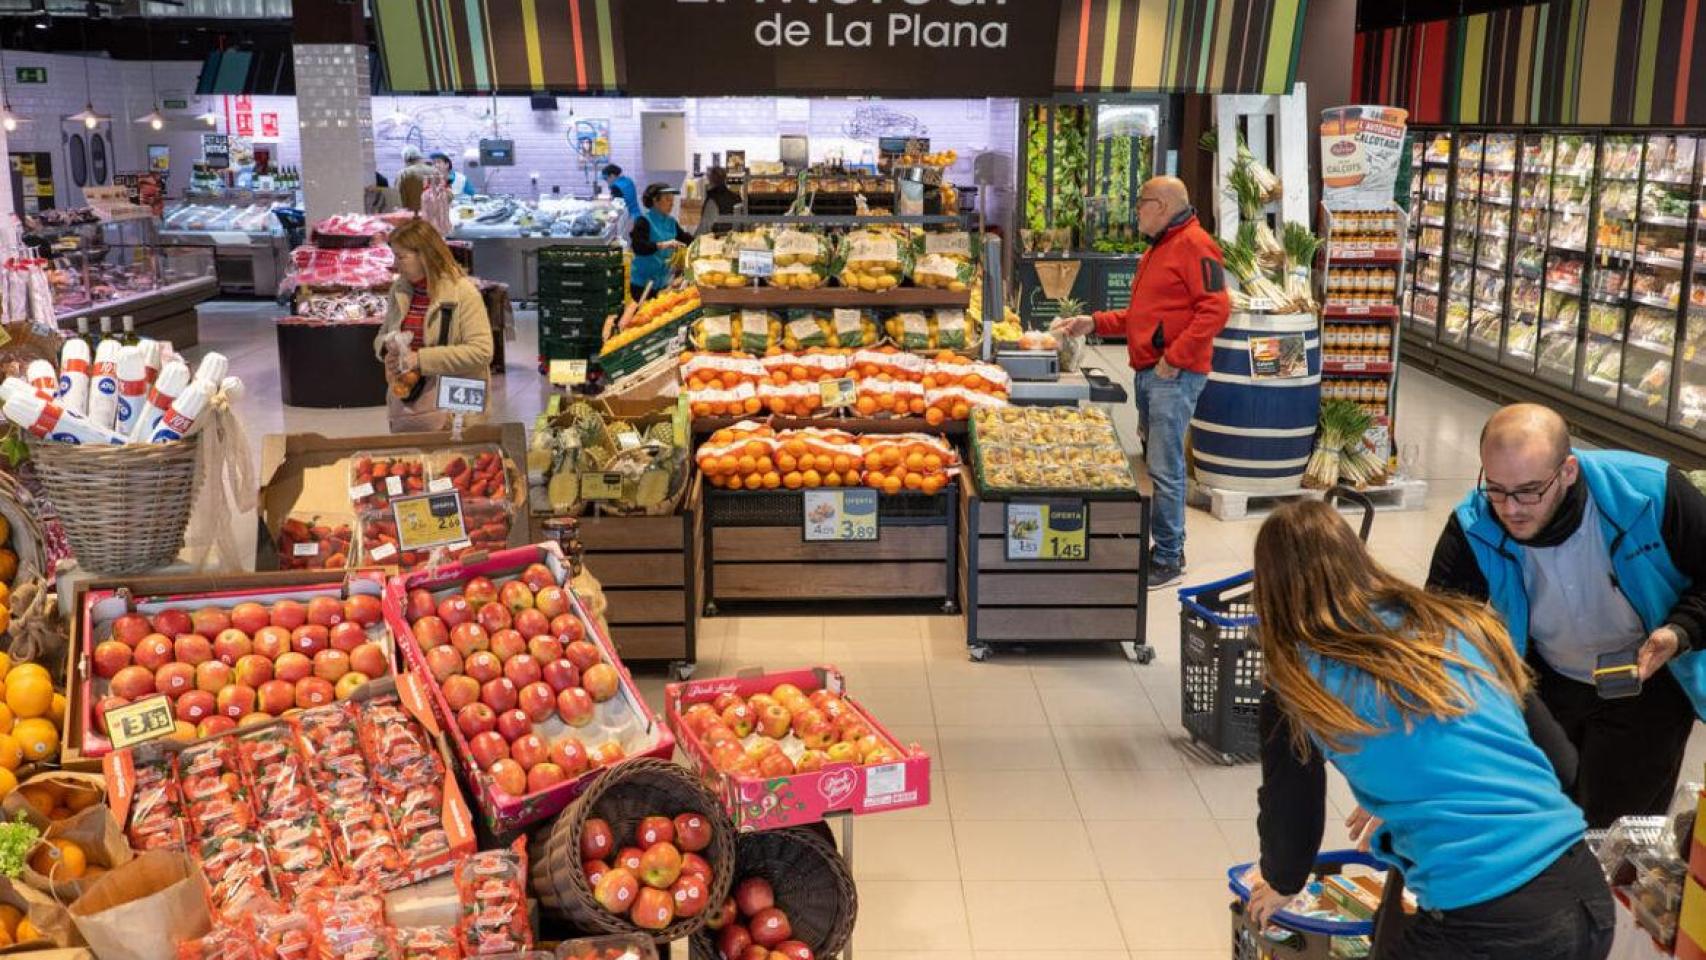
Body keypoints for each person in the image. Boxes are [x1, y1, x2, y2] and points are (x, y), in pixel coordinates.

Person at [1245, 500, 1610, 960]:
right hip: (1584, 894)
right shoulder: (1463, 625)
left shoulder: (1295, 686)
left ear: (1269, 592)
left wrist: (1281, 882)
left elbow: (1292, 819)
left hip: (1485, 921)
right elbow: (1561, 762)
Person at [1428, 403, 1706, 827]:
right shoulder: (1473, 525)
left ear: (1568, 471)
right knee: (1543, 823)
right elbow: (1437, 634)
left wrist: (1680, 631)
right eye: (1497, 489)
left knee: (1614, 832)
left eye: (1529, 491)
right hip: (1546, 683)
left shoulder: (1650, 494)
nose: (1511, 508)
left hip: (1648, 682)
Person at [1052, 177, 1229, 588]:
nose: (1136, 211)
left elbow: (1216, 309)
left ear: (1163, 205)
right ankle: (1161, 547)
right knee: (1155, 463)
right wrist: (1093, 321)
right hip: (1152, 372)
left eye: (1141, 203)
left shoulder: (1195, 245)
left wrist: (1175, 358)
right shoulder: (1160, 248)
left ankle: (1169, 557)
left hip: (1174, 376)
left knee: (1166, 469)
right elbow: (1143, 316)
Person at [373, 218, 493, 433]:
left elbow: (482, 351)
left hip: (459, 395)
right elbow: (383, 334)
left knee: (455, 459)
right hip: (411, 400)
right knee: (416, 461)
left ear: (425, 256)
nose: (395, 264)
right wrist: (386, 347)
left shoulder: (462, 292)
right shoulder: (399, 289)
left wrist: (420, 359)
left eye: (402, 257)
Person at [628, 183, 689, 299]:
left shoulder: (671, 222)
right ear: (655, 201)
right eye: (667, 199)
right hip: (643, 283)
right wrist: (663, 245)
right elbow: (639, 247)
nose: (672, 203)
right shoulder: (643, 221)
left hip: (663, 282)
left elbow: (686, 239)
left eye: (672, 200)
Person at [396, 147, 437, 213]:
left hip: (413, 218)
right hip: (433, 216)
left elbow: (399, 201)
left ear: (406, 159)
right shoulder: (435, 171)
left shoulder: (403, 174)